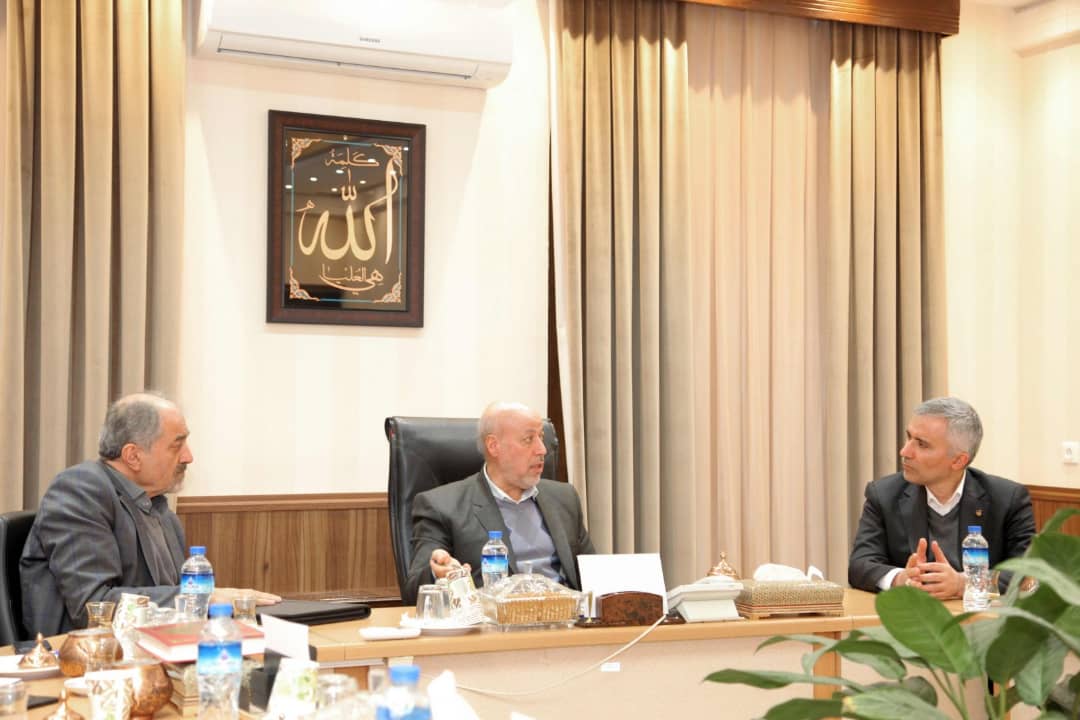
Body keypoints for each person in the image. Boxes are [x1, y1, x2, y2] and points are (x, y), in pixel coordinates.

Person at [21, 392, 280, 634]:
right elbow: (94, 606)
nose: (188, 457)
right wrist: (205, 599)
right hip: (85, 655)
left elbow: (173, 597)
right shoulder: (81, 490)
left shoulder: (157, 506)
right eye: (176, 446)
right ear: (133, 456)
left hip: (155, 645)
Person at [405, 401, 595, 604]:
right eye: (528, 439)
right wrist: (438, 573)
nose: (542, 450)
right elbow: (413, 593)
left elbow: (594, 575)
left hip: (566, 617)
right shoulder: (442, 506)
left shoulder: (564, 498)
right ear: (494, 446)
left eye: (541, 437)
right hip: (493, 621)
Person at [848, 396, 1036, 599]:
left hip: (979, 616)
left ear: (958, 461)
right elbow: (860, 565)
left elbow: (1029, 572)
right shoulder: (884, 494)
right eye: (909, 437)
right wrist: (901, 579)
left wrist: (964, 584)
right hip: (913, 614)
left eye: (922, 444)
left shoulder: (1007, 499)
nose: (905, 451)